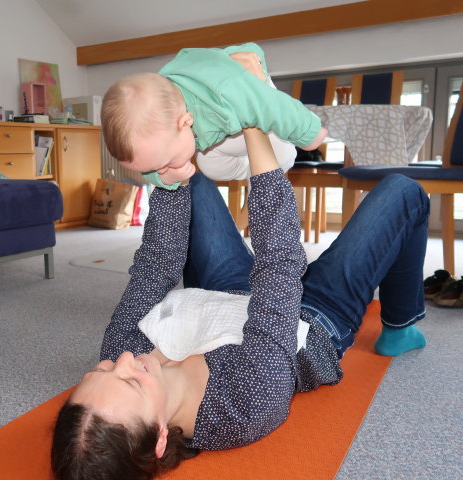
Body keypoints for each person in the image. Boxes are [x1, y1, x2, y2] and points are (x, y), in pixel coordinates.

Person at [50, 121, 429, 477]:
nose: (124, 360)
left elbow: (156, 265)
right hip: (313, 315)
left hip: (222, 292)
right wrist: (255, 128)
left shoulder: (120, 352)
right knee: (404, 190)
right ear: (161, 437)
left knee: (182, 177)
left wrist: (163, 155)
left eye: (99, 371)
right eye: (131, 382)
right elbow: (279, 265)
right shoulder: (246, 404)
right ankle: (400, 325)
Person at [100, 42, 327, 190]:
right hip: (217, 131)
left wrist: (310, 134)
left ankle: (263, 171)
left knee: (281, 156)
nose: (159, 170)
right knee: (209, 166)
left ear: (185, 123)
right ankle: (247, 171)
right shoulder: (161, 116)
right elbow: (151, 164)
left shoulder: (226, 92)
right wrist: (165, 178)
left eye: (165, 164)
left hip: (250, 95)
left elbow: (274, 106)